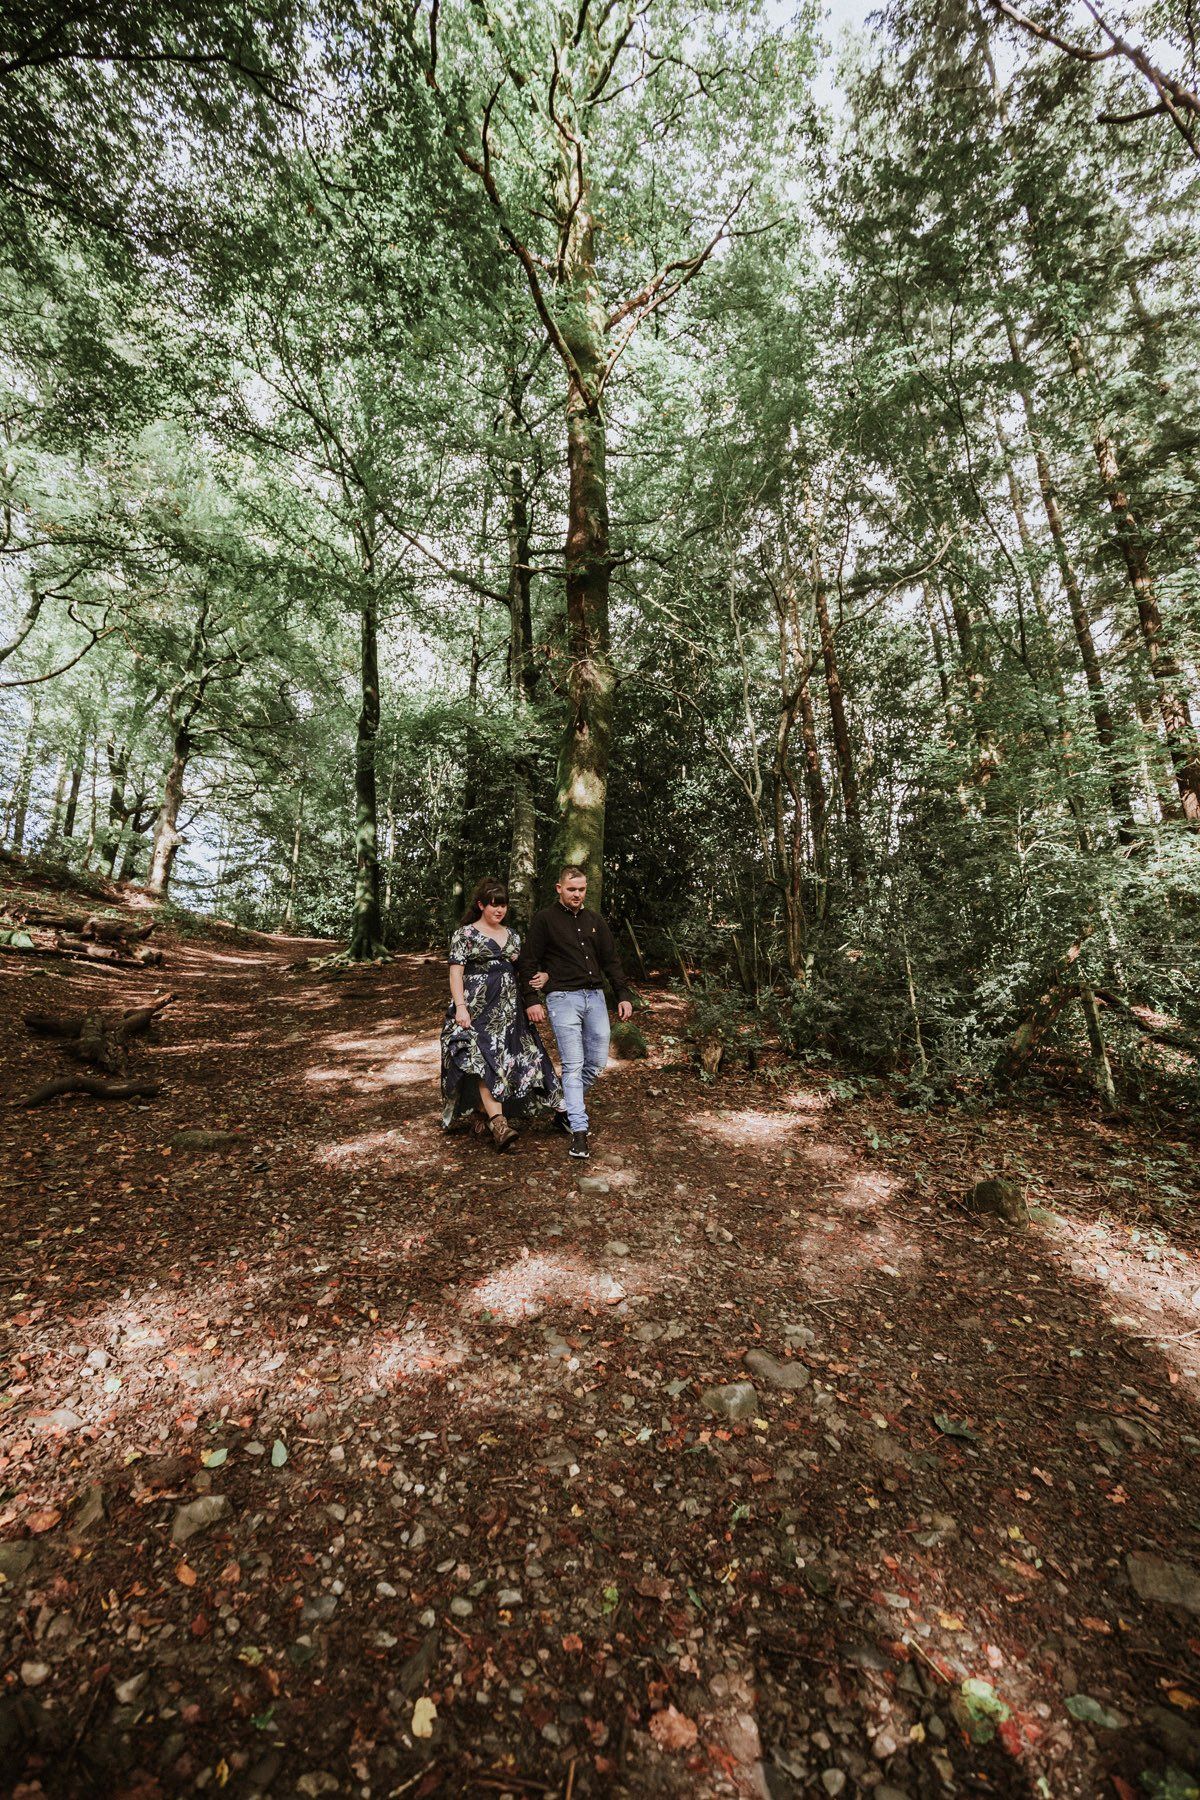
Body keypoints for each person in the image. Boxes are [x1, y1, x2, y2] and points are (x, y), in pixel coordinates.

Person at [520, 864, 633, 1161]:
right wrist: (532, 999)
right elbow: (528, 962)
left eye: (581, 890)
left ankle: (561, 1104)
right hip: (562, 999)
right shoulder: (544, 920)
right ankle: (579, 1131)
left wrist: (622, 995)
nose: (577, 895)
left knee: (596, 1063)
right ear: (559, 888)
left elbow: (611, 961)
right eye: (571, 889)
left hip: (595, 998)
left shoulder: (595, 921)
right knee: (573, 1064)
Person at [441, 877, 562, 1151]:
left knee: (510, 1060)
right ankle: (499, 1124)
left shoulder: (514, 936)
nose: (499, 911)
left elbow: (524, 969)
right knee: (483, 1061)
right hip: (475, 1009)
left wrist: (543, 977)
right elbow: (455, 973)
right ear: (481, 905)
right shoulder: (465, 935)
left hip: (509, 1011)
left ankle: (484, 1117)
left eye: (503, 906)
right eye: (494, 905)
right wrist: (461, 1007)